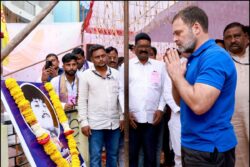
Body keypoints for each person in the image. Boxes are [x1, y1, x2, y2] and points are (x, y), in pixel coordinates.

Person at [164, 6, 237, 167]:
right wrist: (176, 79)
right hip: (194, 145)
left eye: (178, 32)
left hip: (210, 149)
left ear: (196, 28)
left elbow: (198, 104)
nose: (174, 39)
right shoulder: (194, 58)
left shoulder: (214, 57)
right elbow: (180, 102)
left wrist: (177, 76)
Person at [119, 32, 167, 167]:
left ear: (150, 48)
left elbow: (165, 90)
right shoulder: (126, 66)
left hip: (153, 119)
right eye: (140, 46)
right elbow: (121, 91)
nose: (144, 49)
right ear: (135, 48)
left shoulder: (160, 66)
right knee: (132, 155)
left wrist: (160, 109)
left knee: (151, 155)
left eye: (147, 46)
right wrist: (126, 112)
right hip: (132, 119)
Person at [78, 44, 123, 167]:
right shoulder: (85, 76)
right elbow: (82, 101)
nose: (101, 59)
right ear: (92, 59)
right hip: (95, 125)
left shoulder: (116, 74)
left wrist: (122, 117)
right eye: (97, 57)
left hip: (114, 124)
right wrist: (84, 122)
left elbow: (120, 98)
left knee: (113, 156)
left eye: (103, 56)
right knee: (95, 157)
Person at [223, 22, 249, 167]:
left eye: (237, 36)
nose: (233, 40)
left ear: (246, 37)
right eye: (228, 37)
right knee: (240, 158)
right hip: (234, 119)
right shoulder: (222, 60)